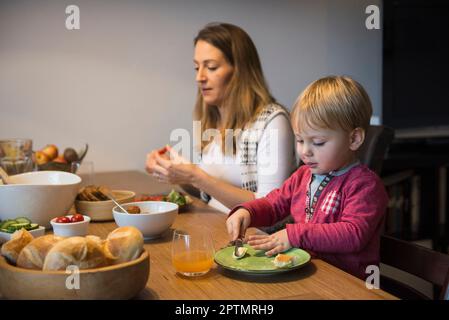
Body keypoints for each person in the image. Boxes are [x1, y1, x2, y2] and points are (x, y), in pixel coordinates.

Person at [226, 76, 388, 280]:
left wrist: (293, 235)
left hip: (348, 285)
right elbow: (274, 203)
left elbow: (353, 234)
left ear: (354, 139)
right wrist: (247, 212)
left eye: (318, 142)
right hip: (309, 276)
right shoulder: (303, 176)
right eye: (300, 140)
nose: (305, 151)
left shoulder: (365, 185)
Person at [145, 22, 296, 213]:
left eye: (211, 67)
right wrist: (176, 173)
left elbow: (270, 209)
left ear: (240, 71)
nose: (199, 77)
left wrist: (196, 176)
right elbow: (210, 194)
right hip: (213, 227)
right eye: (196, 67)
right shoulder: (214, 119)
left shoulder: (273, 123)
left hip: (249, 239)